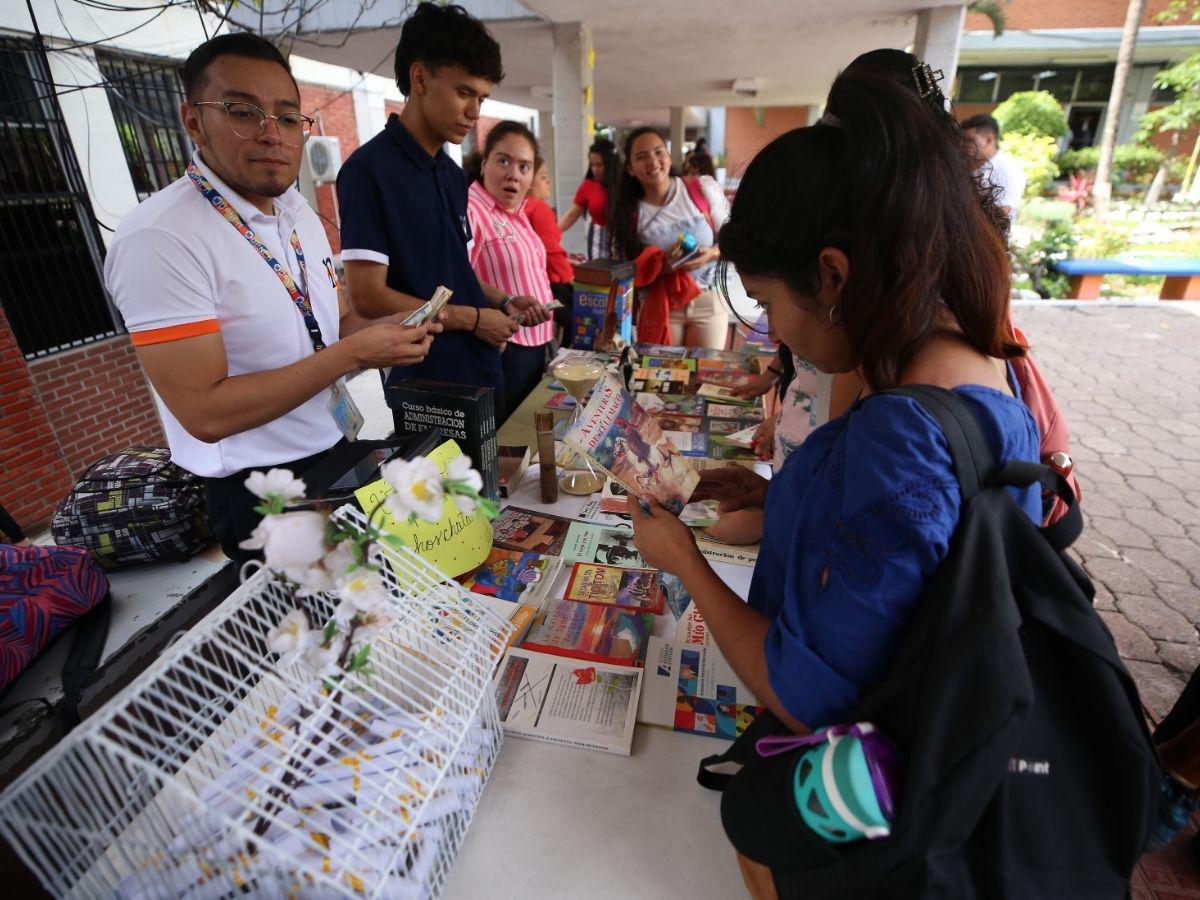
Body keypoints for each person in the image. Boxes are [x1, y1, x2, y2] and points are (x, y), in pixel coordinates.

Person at [626, 55, 1040, 846]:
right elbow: (917, 559)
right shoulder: (962, 354)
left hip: (873, 802)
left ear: (832, 275)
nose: (774, 332)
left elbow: (806, 693)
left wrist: (684, 561)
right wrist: (781, 495)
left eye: (772, 303)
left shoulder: (900, 433)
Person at [104, 34, 437, 562]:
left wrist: (390, 331)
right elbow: (204, 411)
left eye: (286, 117)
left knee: (368, 616)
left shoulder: (295, 210)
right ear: (193, 121)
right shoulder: (160, 237)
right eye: (242, 111)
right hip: (259, 490)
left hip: (338, 446)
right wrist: (354, 354)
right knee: (308, 636)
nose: (271, 134)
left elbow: (337, 320)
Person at [336, 4, 547, 427]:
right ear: (420, 78)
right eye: (464, 93)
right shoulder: (368, 171)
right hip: (426, 384)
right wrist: (472, 320)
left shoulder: (452, 175)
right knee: (439, 492)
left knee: (489, 493)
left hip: (482, 369)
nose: (474, 112)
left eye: (482, 98)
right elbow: (368, 296)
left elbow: (454, 277)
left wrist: (501, 300)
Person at [465, 121, 558, 415]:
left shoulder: (516, 212)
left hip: (537, 342)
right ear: (484, 163)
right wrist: (503, 303)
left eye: (524, 167)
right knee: (511, 439)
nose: (513, 175)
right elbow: (458, 279)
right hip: (506, 348)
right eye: (503, 161)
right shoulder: (471, 210)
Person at [610, 127, 730, 348]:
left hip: (708, 302)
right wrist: (659, 267)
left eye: (658, 152)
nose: (652, 161)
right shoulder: (628, 214)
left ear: (668, 155)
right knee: (661, 377)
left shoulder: (701, 188)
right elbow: (624, 272)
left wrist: (711, 254)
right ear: (630, 168)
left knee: (705, 376)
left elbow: (733, 240)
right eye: (641, 156)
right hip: (660, 306)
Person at [524, 156, 576, 346]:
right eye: (543, 177)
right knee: (578, 320)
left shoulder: (518, 207)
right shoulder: (538, 207)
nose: (548, 182)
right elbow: (551, 251)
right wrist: (571, 278)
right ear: (527, 180)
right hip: (551, 283)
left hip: (531, 285)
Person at [557, 138, 619, 259]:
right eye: (592, 164)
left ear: (610, 164)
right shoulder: (588, 185)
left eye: (599, 164)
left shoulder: (625, 184)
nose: (594, 169)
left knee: (624, 275)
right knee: (599, 274)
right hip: (597, 238)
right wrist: (552, 232)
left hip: (623, 239)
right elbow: (572, 215)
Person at [962, 113, 1027, 224]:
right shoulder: (975, 166)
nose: (963, 145)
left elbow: (1000, 217)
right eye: (962, 140)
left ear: (989, 140)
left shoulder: (1006, 170)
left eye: (969, 141)